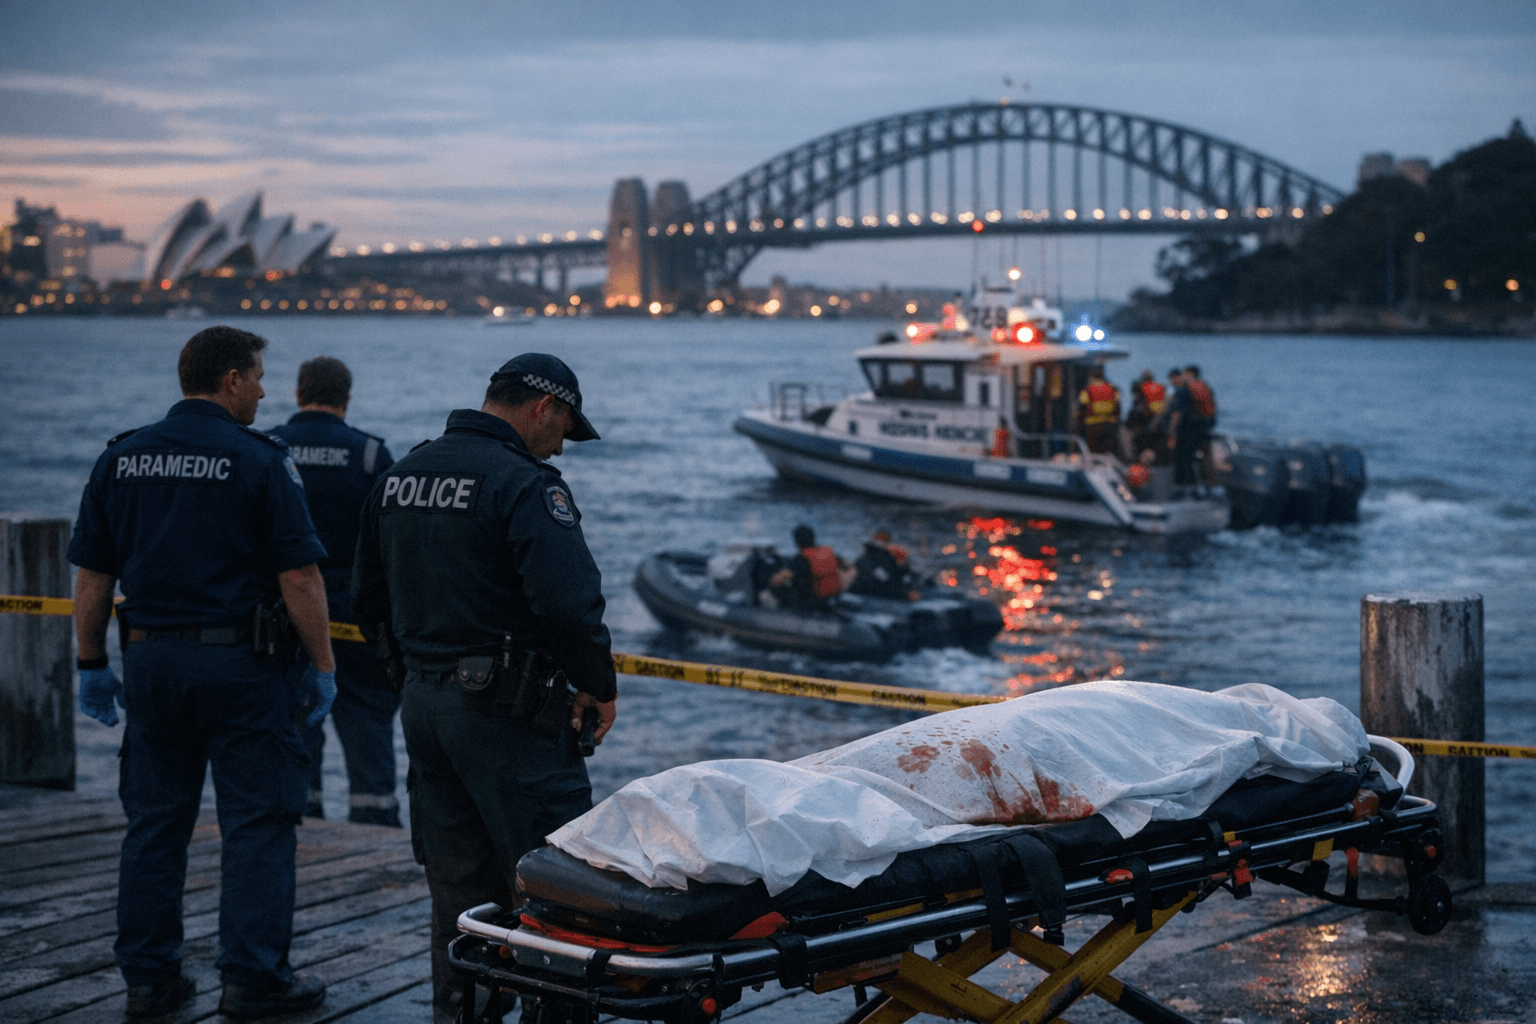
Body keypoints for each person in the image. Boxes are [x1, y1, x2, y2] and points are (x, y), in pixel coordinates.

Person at [68, 326, 334, 1019]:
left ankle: (149, 981)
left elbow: (93, 575)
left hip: (151, 660)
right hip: (241, 665)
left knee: (154, 824)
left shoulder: (120, 459)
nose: (266, 389)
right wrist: (324, 665)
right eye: (257, 376)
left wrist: (91, 663)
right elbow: (300, 574)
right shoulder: (258, 460)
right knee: (258, 822)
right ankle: (253, 979)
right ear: (229, 381)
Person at [352, 353, 615, 1024]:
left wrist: (411, 677)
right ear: (542, 408)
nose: (562, 446)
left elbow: (367, 601)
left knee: (457, 891)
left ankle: (461, 1013)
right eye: (563, 429)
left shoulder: (400, 477)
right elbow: (569, 605)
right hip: (510, 720)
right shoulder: (525, 485)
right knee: (555, 888)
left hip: (426, 709)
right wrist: (597, 686)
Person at [268, 357, 400, 826]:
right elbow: (393, 543)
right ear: (346, 396)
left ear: (299, 391)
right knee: (367, 724)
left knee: (296, 725)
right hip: (355, 608)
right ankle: (376, 826)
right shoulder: (368, 454)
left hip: (284, 608)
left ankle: (302, 826)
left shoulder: (268, 448)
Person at [769, 525, 857, 611]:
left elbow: (777, 580)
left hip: (810, 602)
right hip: (830, 597)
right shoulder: (827, 552)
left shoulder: (801, 558)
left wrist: (771, 579)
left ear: (797, 542)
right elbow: (848, 565)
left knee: (777, 588)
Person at [849, 530, 919, 600]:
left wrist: (902, 565)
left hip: (879, 596)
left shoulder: (888, 559)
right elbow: (879, 584)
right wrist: (905, 593)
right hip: (868, 598)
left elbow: (899, 578)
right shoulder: (869, 560)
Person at [1182, 364, 1219, 484]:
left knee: (1187, 455)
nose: (1182, 376)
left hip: (1196, 427)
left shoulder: (1190, 388)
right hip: (1207, 424)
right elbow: (1212, 407)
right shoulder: (1205, 386)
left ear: (1191, 374)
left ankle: (1191, 483)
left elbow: (1186, 410)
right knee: (1207, 455)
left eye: (1185, 373)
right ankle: (1211, 482)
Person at [1076, 364, 1121, 454]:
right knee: (1108, 451)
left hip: (1092, 425)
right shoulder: (1113, 389)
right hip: (1109, 424)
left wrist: (1078, 421)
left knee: (1093, 451)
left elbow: (1082, 407)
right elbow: (1118, 407)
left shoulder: (1087, 390)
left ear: (1092, 377)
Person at [1125, 369, 1167, 463]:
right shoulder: (1161, 387)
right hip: (1160, 420)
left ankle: (1139, 464)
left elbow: (1138, 405)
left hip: (1146, 420)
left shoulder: (1141, 387)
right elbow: (1164, 403)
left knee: (1138, 443)